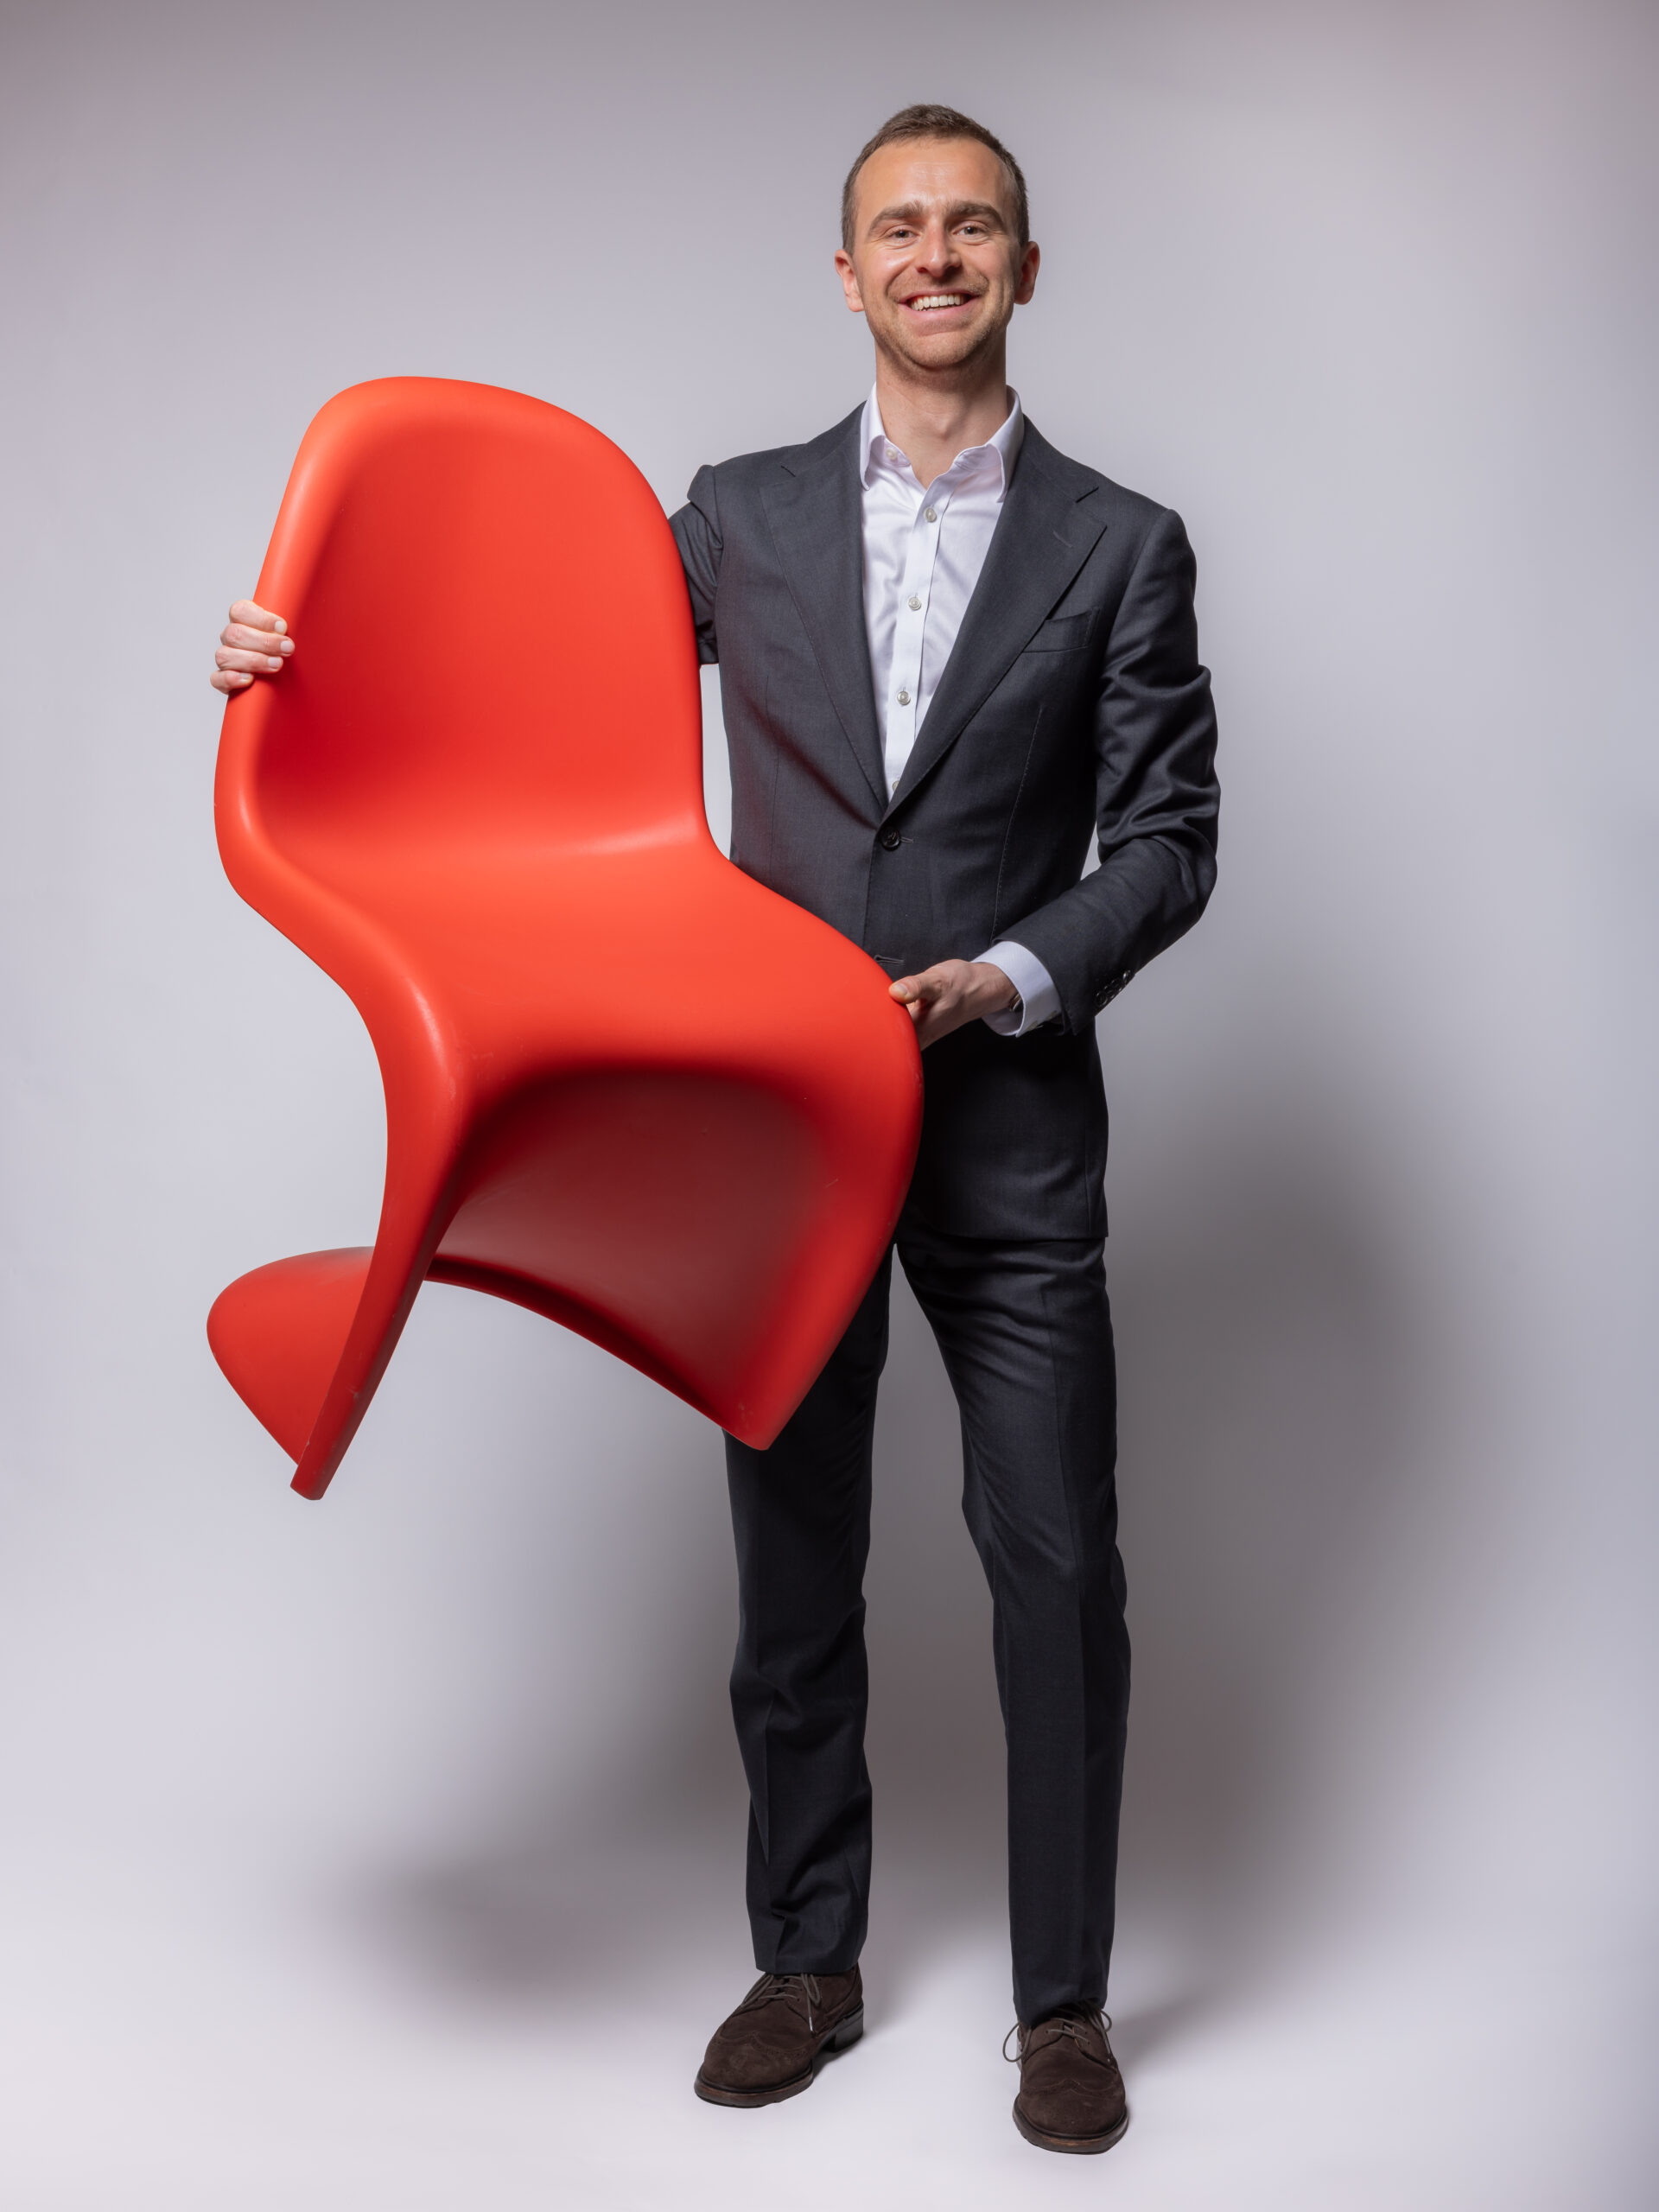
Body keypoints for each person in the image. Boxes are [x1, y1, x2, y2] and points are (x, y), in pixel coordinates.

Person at [211, 104, 1219, 2156]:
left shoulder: (1123, 544)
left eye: (973, 226)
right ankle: (806, 1959)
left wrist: (1011, 973)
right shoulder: (736, 516)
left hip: (1009, 1134)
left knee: (1058, 1569)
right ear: (846, 275)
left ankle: (1060, 2005)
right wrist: (294, 664)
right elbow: (518, 670)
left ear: (1027, 268)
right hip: (775, 1127)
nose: (935, 255)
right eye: (898, 228)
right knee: (791, 1561)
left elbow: (1172, 840)